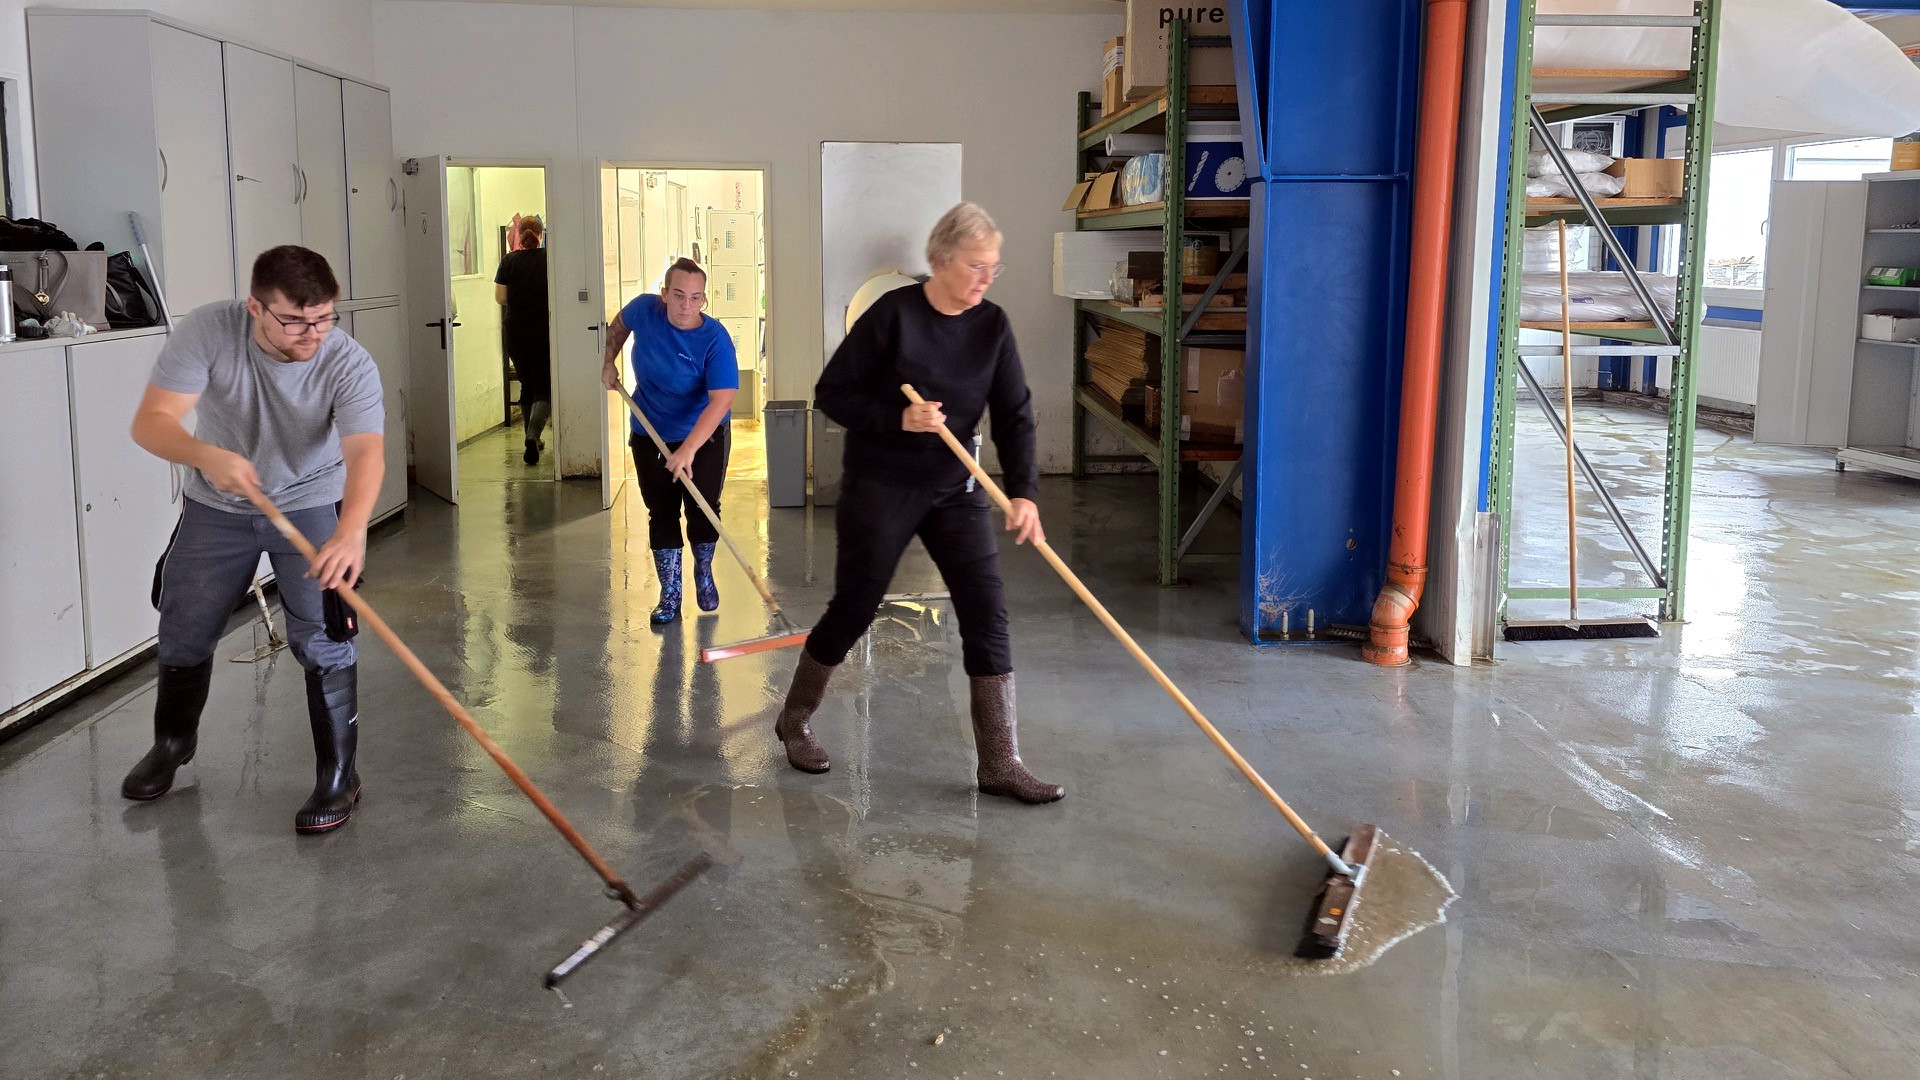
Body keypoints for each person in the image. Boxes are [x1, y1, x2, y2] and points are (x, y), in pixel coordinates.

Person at [773, 202, 1062, 805]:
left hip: (955, 490)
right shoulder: (893, 317)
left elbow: (1013, 414)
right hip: (882, 485)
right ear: (940, 261)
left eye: (994, 268)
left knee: (987, 610)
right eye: (977, 266)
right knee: (855, 605)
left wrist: (1024, 493)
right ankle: (795, 720)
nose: (986, 278)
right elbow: (833, 393)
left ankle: (1000, 762)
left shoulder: (993, 326)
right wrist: (898, 417)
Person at [122, 245, 385, 834]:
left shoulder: (346, 361)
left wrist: (351, 530)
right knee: (184, 623)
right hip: (217, 503)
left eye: (324, 318)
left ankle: (340, 776)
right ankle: (172, 744)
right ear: (256, 309)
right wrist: (203, 454)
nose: (312, 333)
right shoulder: (211, 331)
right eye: (295, 320)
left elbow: (365, 450)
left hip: (311, 501)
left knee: (325, 635)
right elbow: (152, 422)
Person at [600, 257, 739, 624]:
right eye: (678, 296)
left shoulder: (715, 340)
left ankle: (703, 571)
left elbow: (722, 400)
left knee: (703, 507)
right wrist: (608, 360)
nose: (686, 306)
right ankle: (670, 593)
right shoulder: (644, 310)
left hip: (704, 435)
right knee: (661, 510)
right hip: (651, 430)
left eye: (695, 298)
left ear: (704, 300)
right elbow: (617, 327)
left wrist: (688, 449)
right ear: (664, 294)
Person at [494, 216, 550, 465]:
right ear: (541, 234)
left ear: (518, 234)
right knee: (544, 387)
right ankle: (533, 435)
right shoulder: (548, 258)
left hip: (515, 330)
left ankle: (531, 439)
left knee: (526, 383)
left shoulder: (508, 260)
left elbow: (501, 299)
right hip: (543, 330)